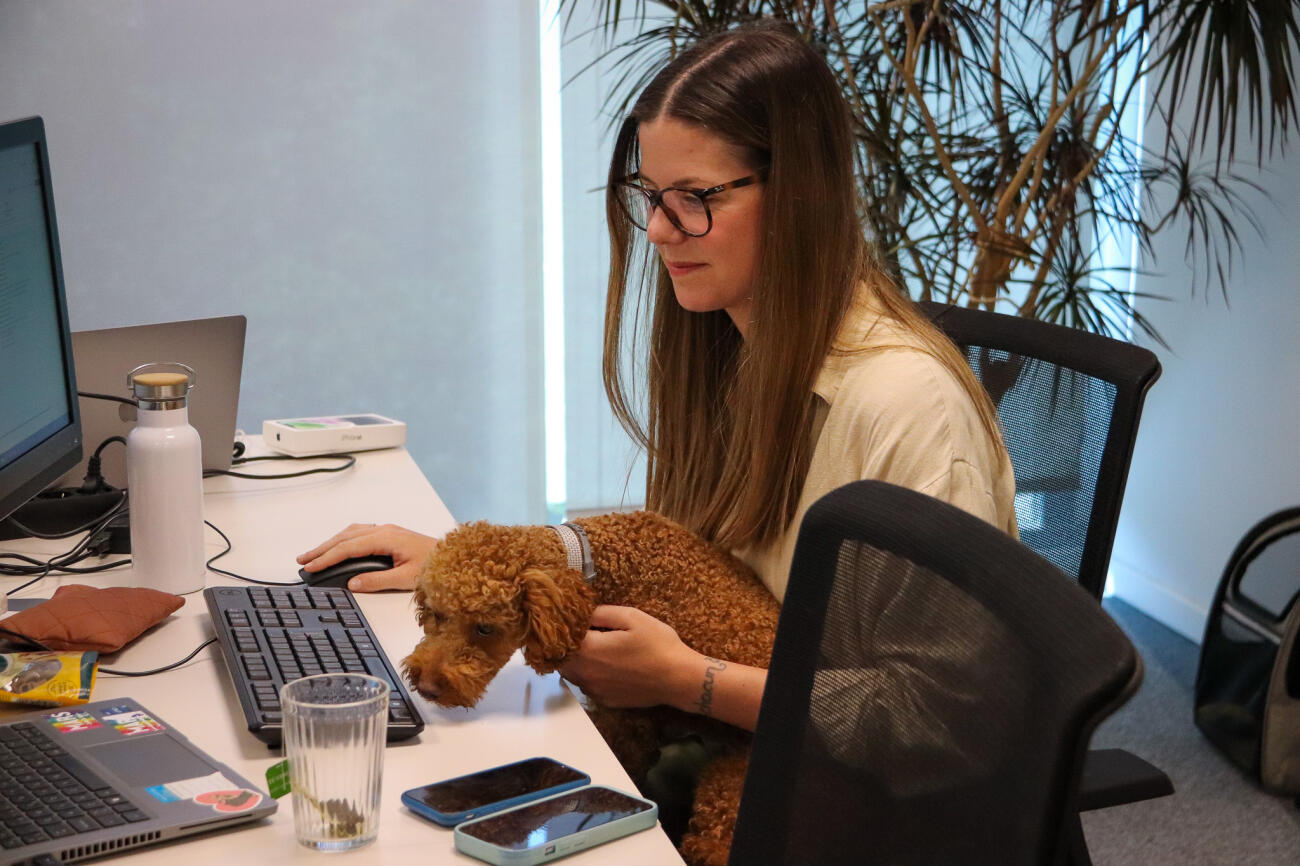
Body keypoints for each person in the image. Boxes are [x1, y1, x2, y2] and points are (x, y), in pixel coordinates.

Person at [300, 13, 1016, 770]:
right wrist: (494, 574)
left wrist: (689, 681)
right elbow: (685, 574)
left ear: (800, 196)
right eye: (650, 192)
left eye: (696, 197)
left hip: (841, 801)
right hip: (731, 752)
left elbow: (941, 720)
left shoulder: (907, 405)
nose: (660, 231)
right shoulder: (732, 350)